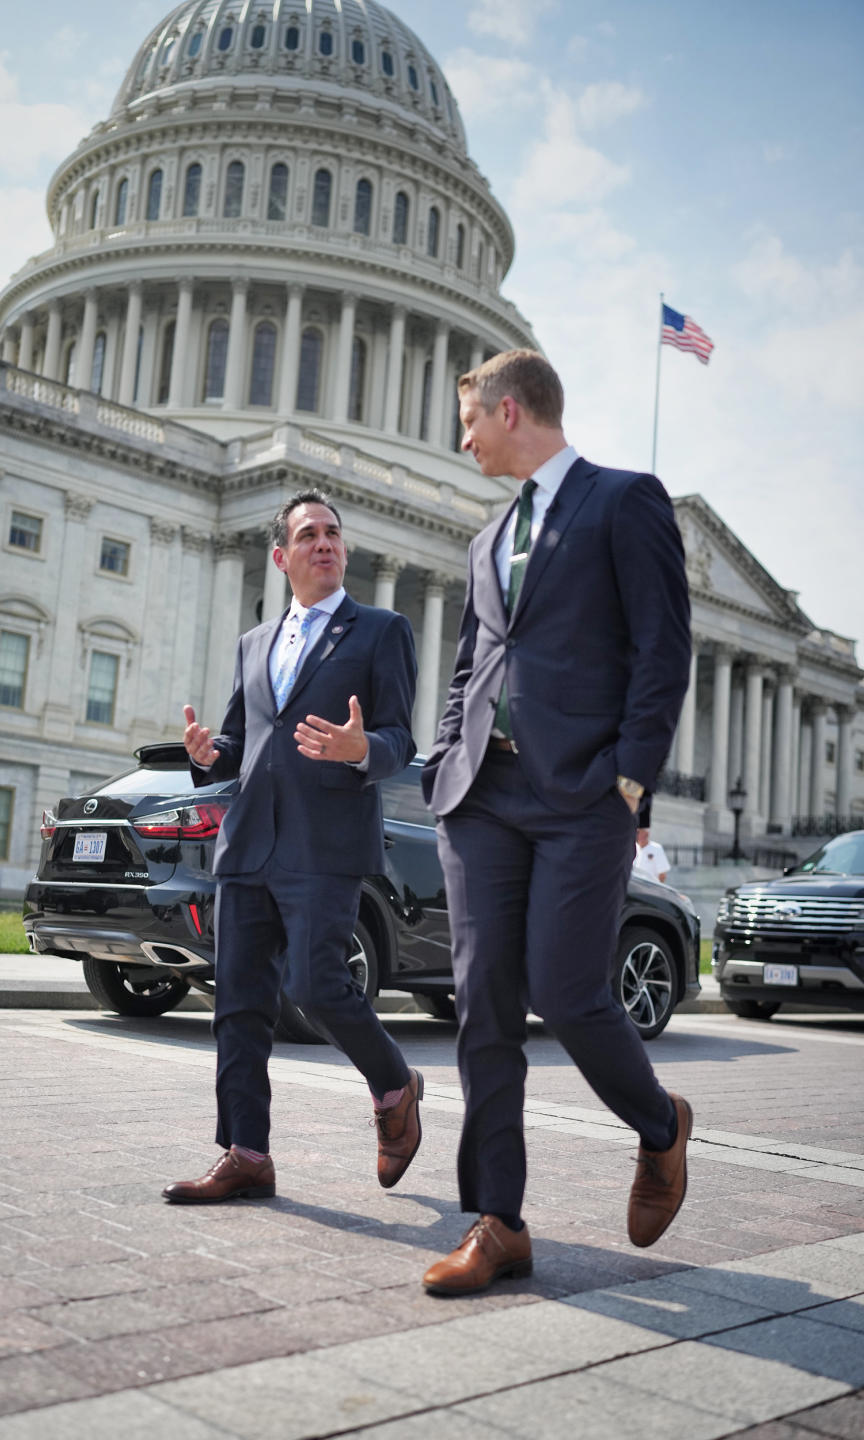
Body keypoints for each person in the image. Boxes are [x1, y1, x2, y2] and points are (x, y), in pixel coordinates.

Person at [420, 350, 693, 1296]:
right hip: (481, 798)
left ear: (510, 409)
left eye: (471, 423)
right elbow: (471, 662)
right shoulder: (486, 535)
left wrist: (631, 781)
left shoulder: (625, 501)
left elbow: (664, 646)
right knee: (483, 1004)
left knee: (569, 993)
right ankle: (498, 1222)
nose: (464, 442)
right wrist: (446, 751)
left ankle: (661, 1128)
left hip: (582, 795)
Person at [163, 489, 423, 1205]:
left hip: (325, 843)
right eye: (309, 535)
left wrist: (358, 747)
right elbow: (240, 744)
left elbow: (401, 741)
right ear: (281, 556)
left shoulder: (381, 630)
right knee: (239, 1005)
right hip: (249, 845)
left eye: (334, 533)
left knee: (315, 987)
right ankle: (246, 1153)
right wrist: (207, 753)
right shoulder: (254, 642)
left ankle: (395, 1084)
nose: (326, 544)